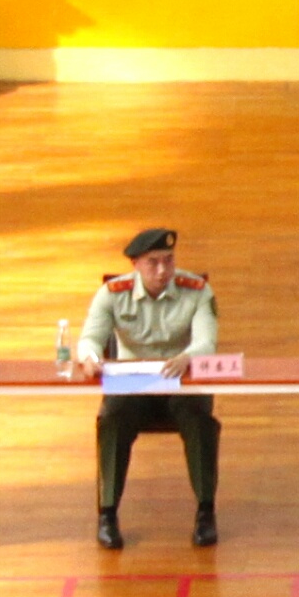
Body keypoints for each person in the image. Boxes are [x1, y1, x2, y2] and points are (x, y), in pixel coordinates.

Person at [68, 225, 219, 550]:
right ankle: (107, 514)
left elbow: (207, 342)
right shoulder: (112, 293)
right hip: (133, 384)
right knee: (112, 419)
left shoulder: (197, 290)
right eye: (153, 262)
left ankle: (206, 512)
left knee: (200, 422)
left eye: (168, 260)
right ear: (135, 264)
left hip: (181, 382)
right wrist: (90, 358)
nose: (163, 270)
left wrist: (188, 356)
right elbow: (90, 338)